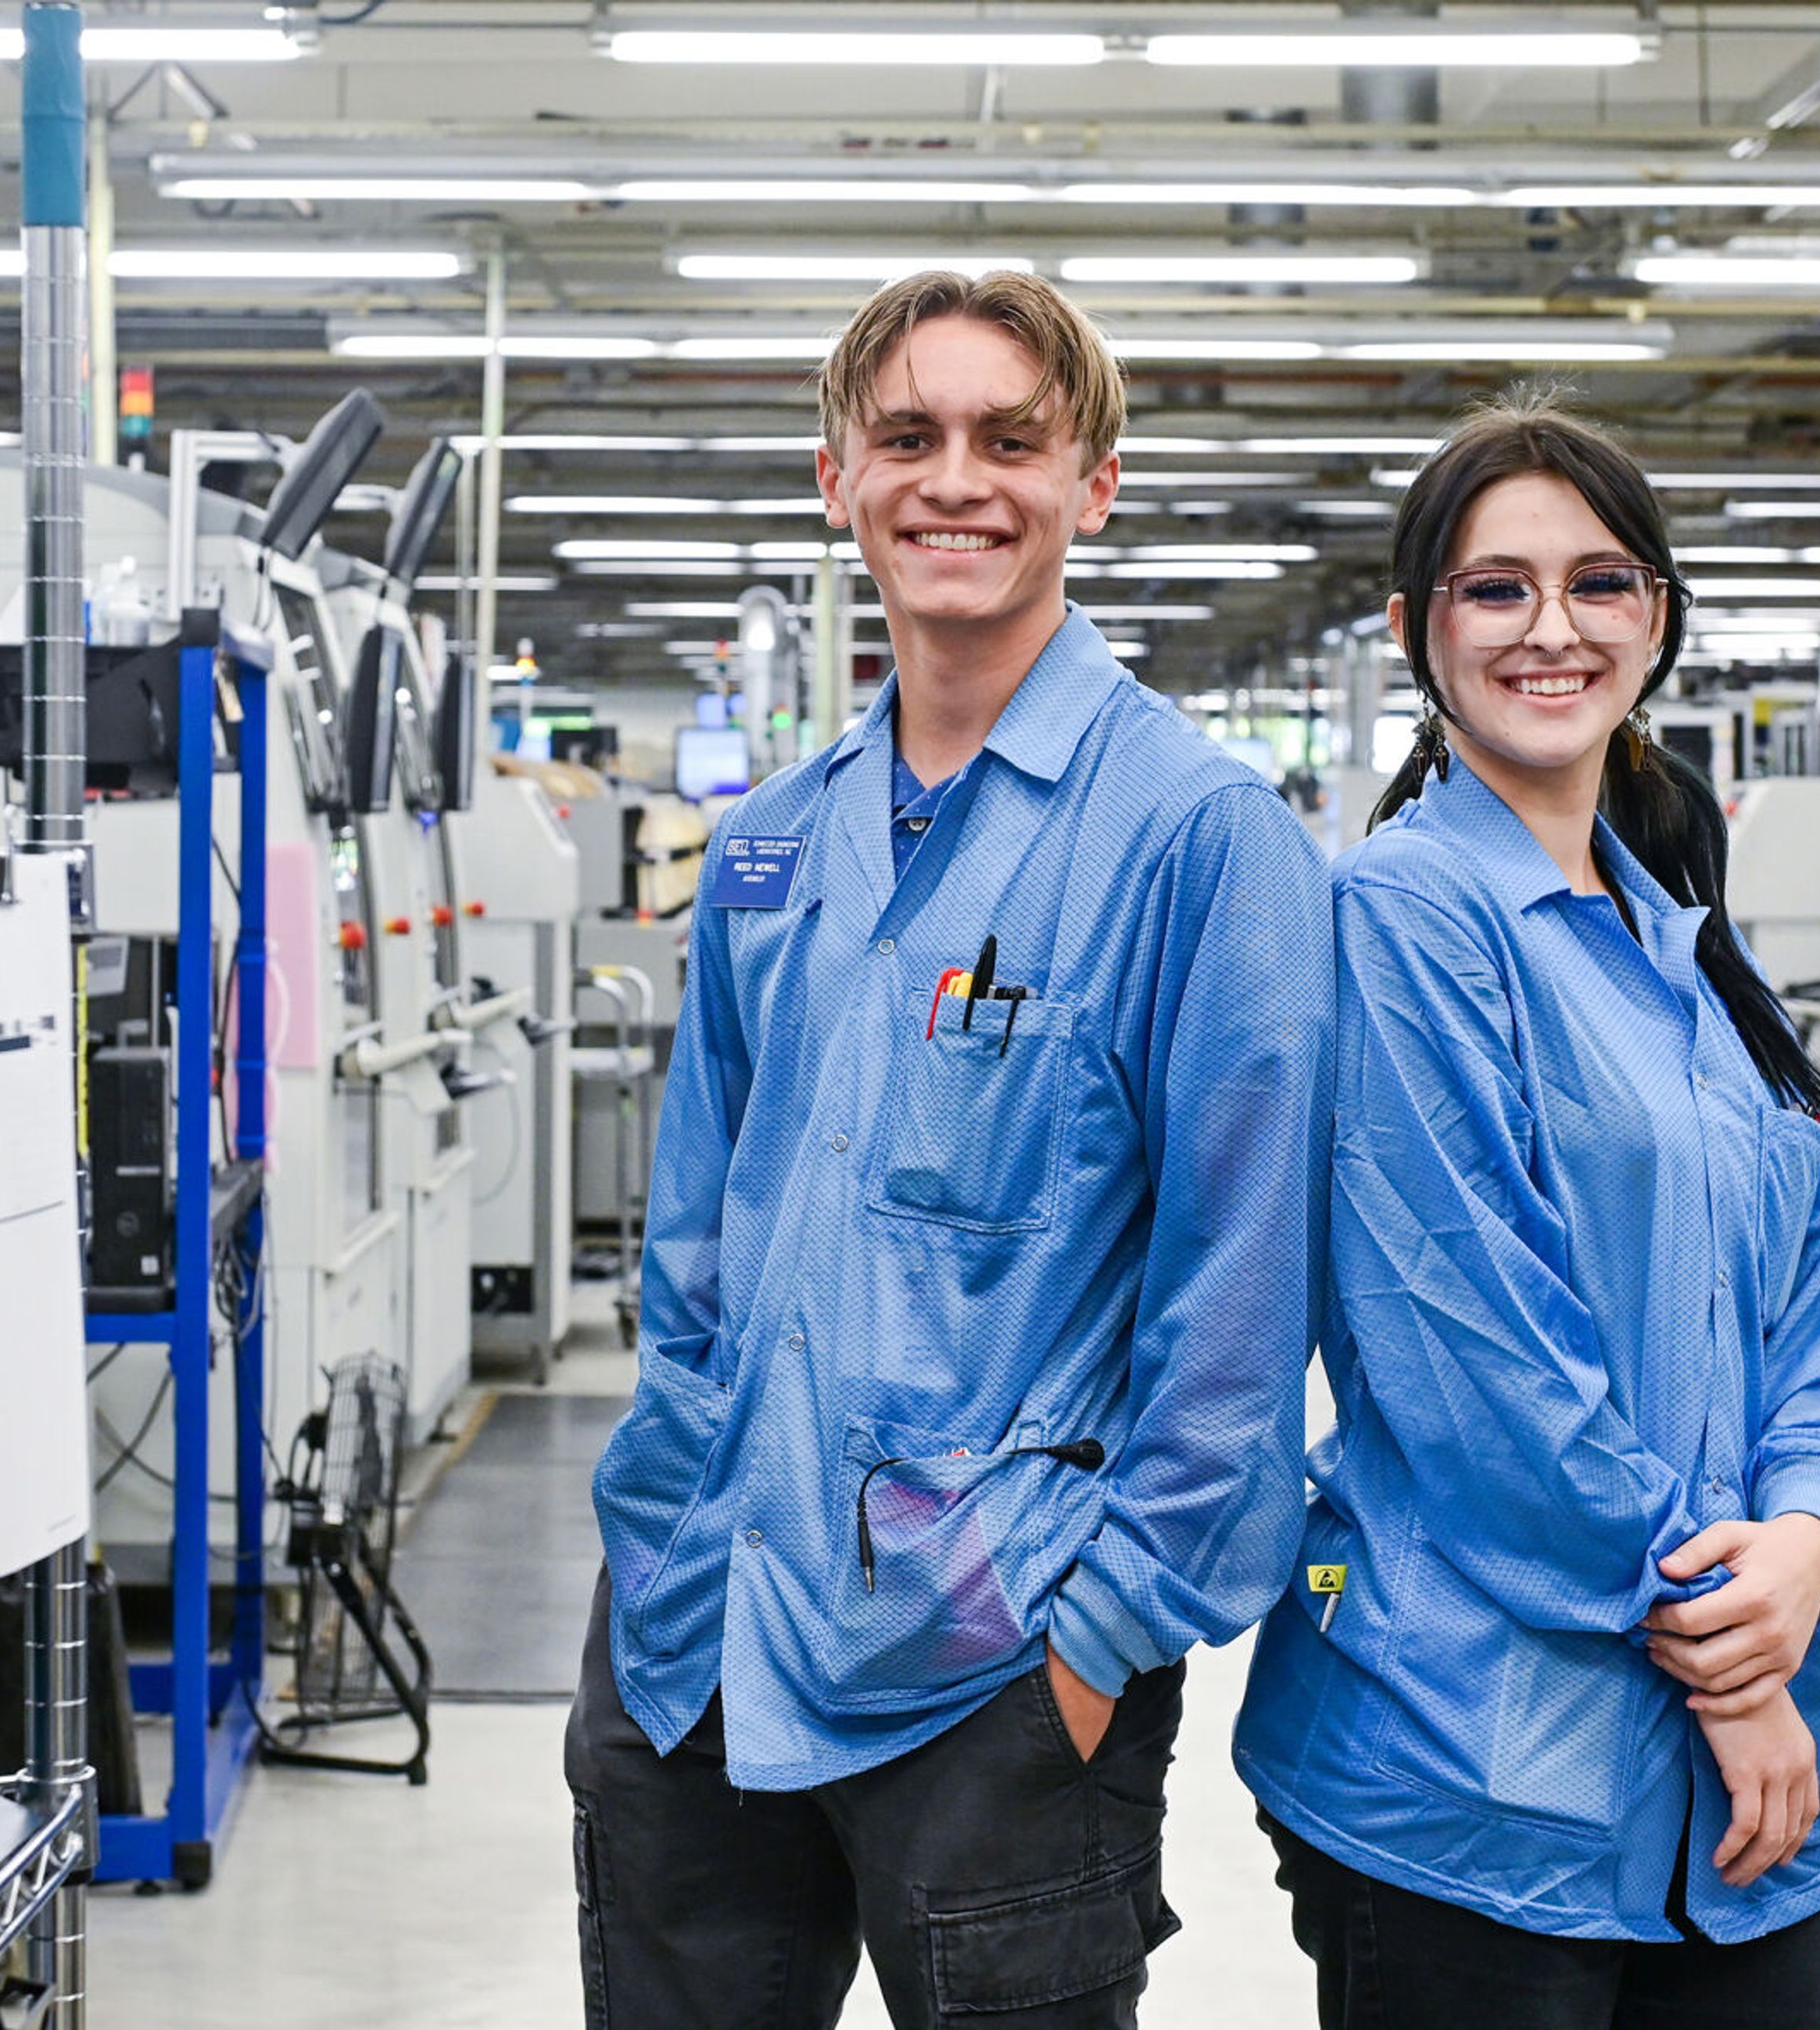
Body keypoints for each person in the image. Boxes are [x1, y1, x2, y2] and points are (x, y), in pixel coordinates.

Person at [566, 268, 1331, 2028]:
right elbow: (692, 1254)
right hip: (696, 1642)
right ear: (837, 481)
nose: (955, 480)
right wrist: (662, 1535)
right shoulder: (770, 848)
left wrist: (1099, 1642)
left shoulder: (1202, 846)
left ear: (1095, 484)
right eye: (906, 437)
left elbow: (1236, 1317)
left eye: (1011, 438)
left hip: (995, 1676)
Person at [1232, 396, 1820, 2028]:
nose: (1554, 629)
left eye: (1601, 584)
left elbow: (1809, 1320)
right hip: (1476, 1781)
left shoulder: (1684, 938)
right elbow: (1483, 1373)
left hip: (1742, 1797)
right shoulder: (1399, 923)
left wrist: (1809, 1541)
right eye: (1495, 588)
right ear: (1415, 631)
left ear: (1656, 619)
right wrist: (1727, 1660)